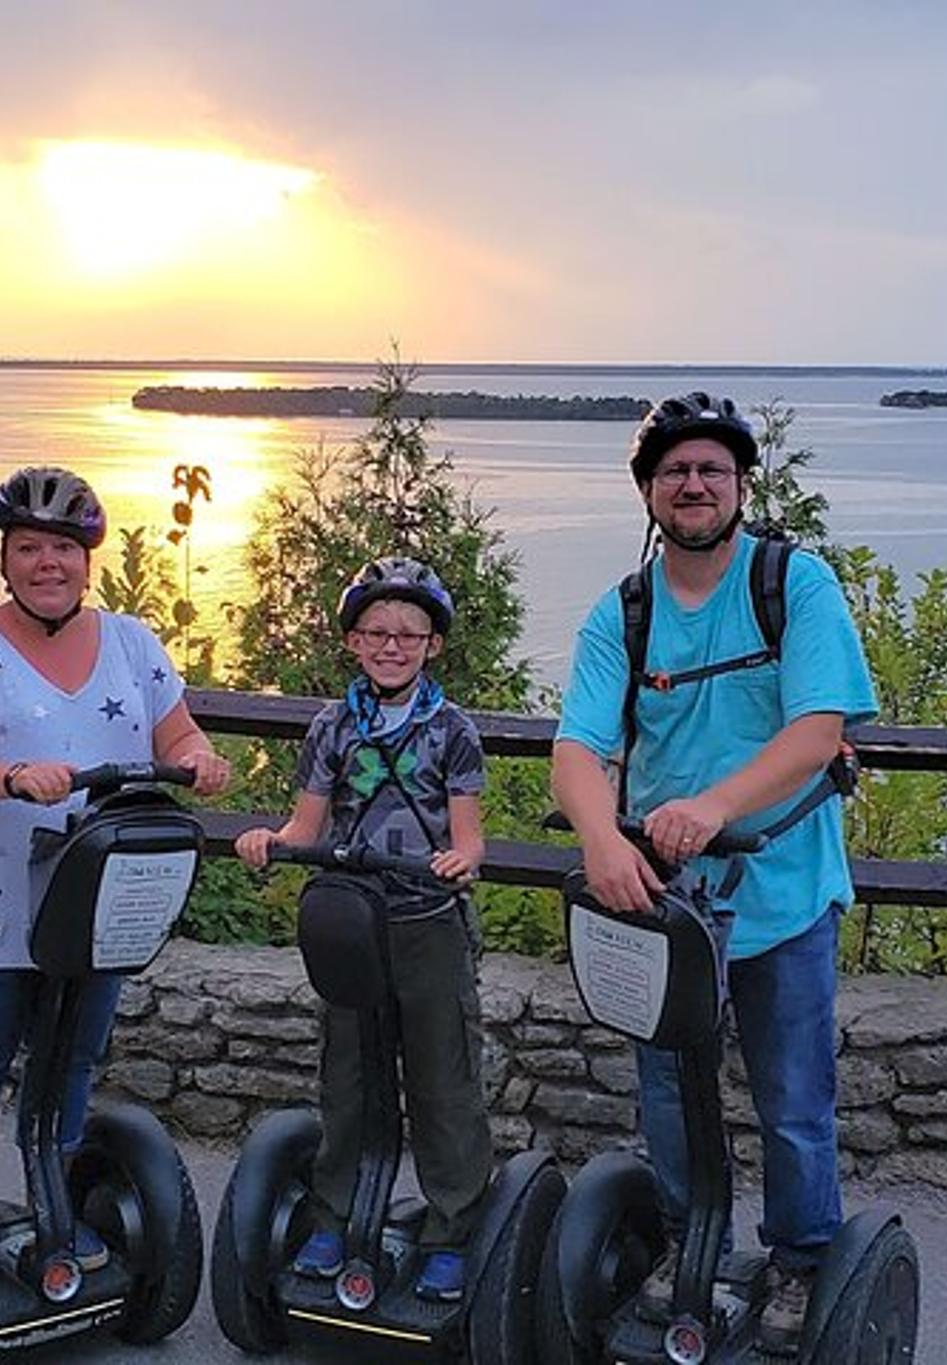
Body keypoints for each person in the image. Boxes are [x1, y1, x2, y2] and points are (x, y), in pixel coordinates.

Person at [550, 392, 877, 1351]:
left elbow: (820, 732)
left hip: (780, 891)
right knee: (669, 1099)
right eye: (674, 471)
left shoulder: (795, 583)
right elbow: (577, 746)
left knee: (792, 1102)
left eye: (712, 470)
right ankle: (693, 1245)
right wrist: (604, 840)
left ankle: (801, 1258)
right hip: (664, 902)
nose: (693, 484)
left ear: (738, 484)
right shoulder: (627, 609)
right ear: (650, 491)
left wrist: (714, 806)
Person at [0, 465, 231, 1294]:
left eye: (61, 547)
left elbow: (178, 726)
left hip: (88, 904)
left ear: (87, 559)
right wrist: (11, 774)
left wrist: (197, 757)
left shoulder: (130, 641)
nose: (45, 562)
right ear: (4, 560)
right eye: (27, 548)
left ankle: (51, 1206)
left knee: (71, 1060)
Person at [234, 555, 491, 1303]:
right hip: (349, 924)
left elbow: (469, 834)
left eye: (409, 634)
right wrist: (269, 842)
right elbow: (305, 822)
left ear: (433, 645)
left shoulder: (452, 730)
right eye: (376, 632)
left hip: (426, 919)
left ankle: (452, 1228)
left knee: (444, 1081)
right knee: (346, 1077)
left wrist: (459, 860)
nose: (391, 645)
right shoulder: (332, 724)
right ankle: (338, 1215)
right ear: (352, 641)